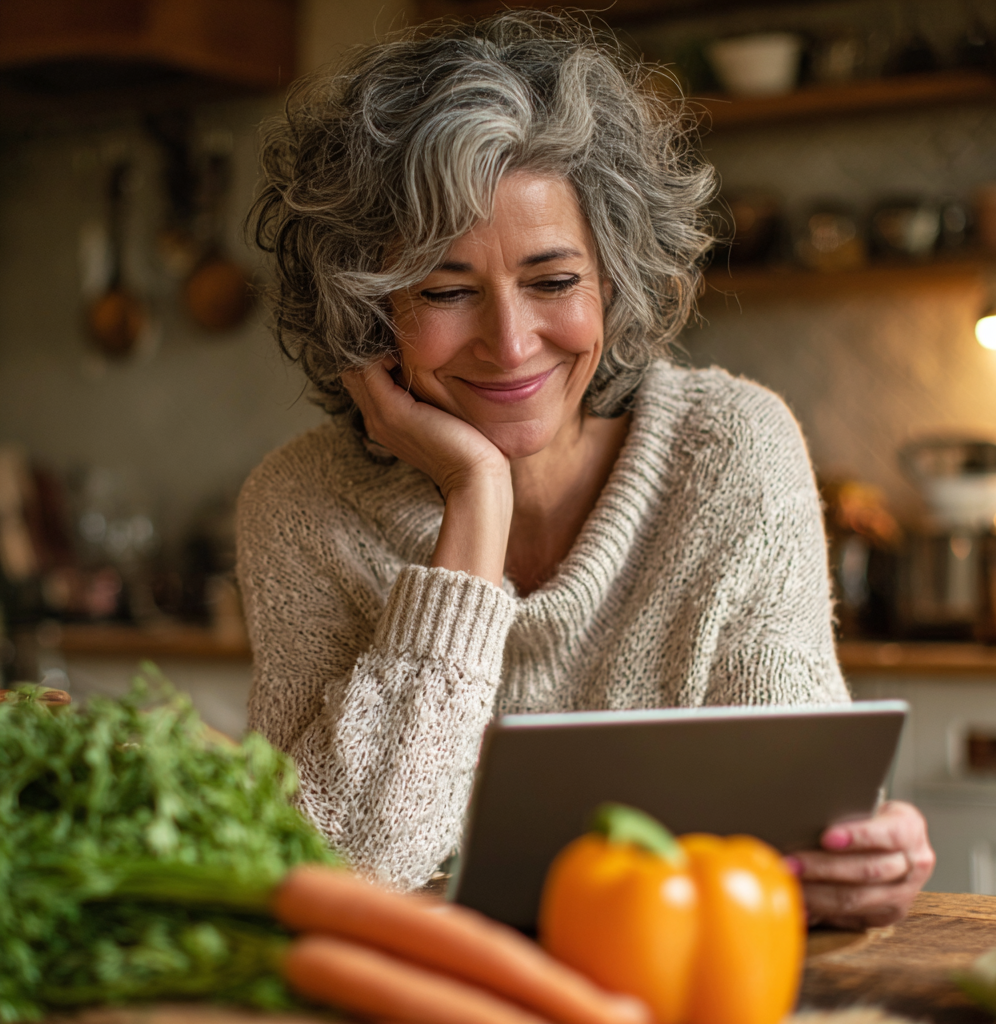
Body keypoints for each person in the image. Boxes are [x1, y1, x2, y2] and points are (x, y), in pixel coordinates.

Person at [240, 10, 934, 927]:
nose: (512, 342)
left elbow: (791, 829)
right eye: (446, 290)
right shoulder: (299, 505)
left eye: (554, 281)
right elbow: (329, 874)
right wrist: (474, 503)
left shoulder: (732, 450)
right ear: (370, 315)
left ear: (614, 276)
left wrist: (862, 855)